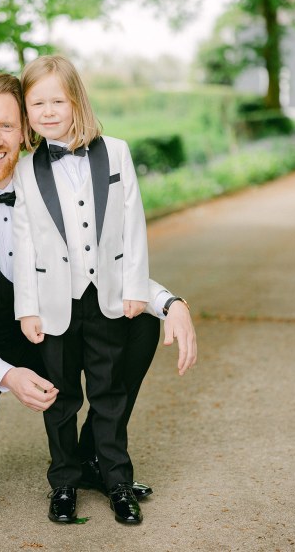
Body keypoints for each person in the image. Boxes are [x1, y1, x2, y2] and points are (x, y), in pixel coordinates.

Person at [0, 71, 197, 508]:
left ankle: (94, 457)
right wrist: (6, 374)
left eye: (6, 125)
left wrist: (168, 301)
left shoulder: (52, 178)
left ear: (24, 130)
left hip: (48, 326)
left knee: (136, 324)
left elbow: (99, 257)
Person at [12, 55, 196, 525]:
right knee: (60, 399)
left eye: (58, 100)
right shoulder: (26, 168)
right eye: (38, 103)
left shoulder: (115, 152)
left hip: (107, 297)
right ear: (26, 111)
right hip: (54, 303)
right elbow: (24, 241)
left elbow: (132, 226)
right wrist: (26, 308)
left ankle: (117, 481)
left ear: (76, 100)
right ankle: (65, 484)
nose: (49, 111)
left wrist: (136, 287)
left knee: (108, 394)